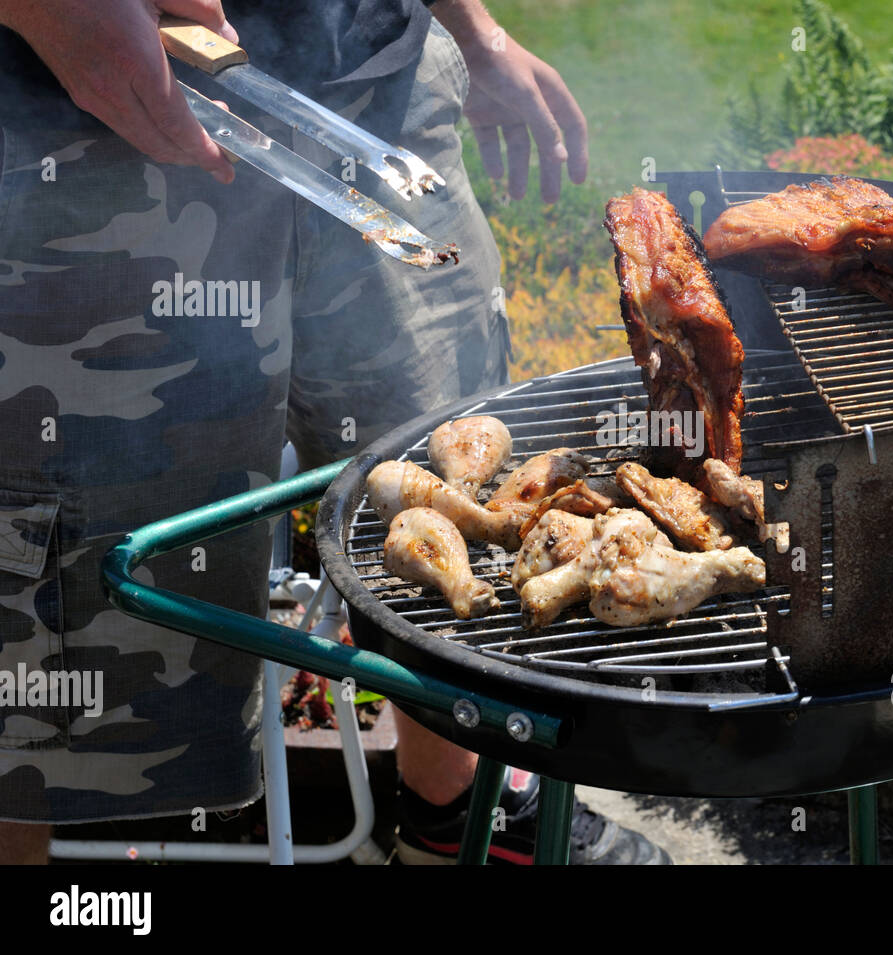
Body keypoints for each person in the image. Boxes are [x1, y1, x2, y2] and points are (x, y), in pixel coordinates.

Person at [0, 0, 669, 865]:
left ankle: (459, 816)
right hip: (85, 124)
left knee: (466, 504)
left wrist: (472, 30)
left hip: (373, 85)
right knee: (47, 612)